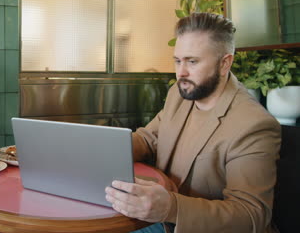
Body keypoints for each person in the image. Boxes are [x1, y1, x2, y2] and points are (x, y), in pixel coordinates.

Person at [105, 13, 281, 233]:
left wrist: (171, 207)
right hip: (162, 220)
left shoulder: (253, 125)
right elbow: (148, 139)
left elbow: (250, 215)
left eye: (192, 61)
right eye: (177, 61)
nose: (181, 72)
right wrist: (102, 149)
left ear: (225, 63)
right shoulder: (179, 95)